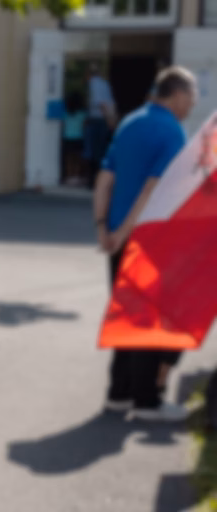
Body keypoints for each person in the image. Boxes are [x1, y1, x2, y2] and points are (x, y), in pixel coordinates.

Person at [95, 66, 197, 422]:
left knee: (125, 313)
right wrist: (124, 233)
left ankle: (118, 395)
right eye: (192, 98)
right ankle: (146, 402)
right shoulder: (172, 131)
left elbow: (106, 178)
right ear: (179, 95)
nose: (192, 105)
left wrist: (104, 228)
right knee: (146, 320)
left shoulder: (129, 123)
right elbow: (154, 190)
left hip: (119, 236)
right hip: (148, 239)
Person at [84, 63, 116, 184]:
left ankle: (92, 181)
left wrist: (108, 120)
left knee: (92, 151)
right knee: (101, 151)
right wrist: (112, 120)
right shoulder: (105, 84)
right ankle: (98, 180)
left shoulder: (93, 84)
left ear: (89, 74)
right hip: (103, 121)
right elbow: (110, 103)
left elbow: (100, 103)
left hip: (96, 120)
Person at [62, 91, 88, 186]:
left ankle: (69, 176)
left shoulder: (65, 113)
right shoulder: (82, 113)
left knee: (69, 158)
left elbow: (63, 124)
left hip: (67, 137)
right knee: (78, 158)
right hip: (79, 137)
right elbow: (84, 125)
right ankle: (76, 177)